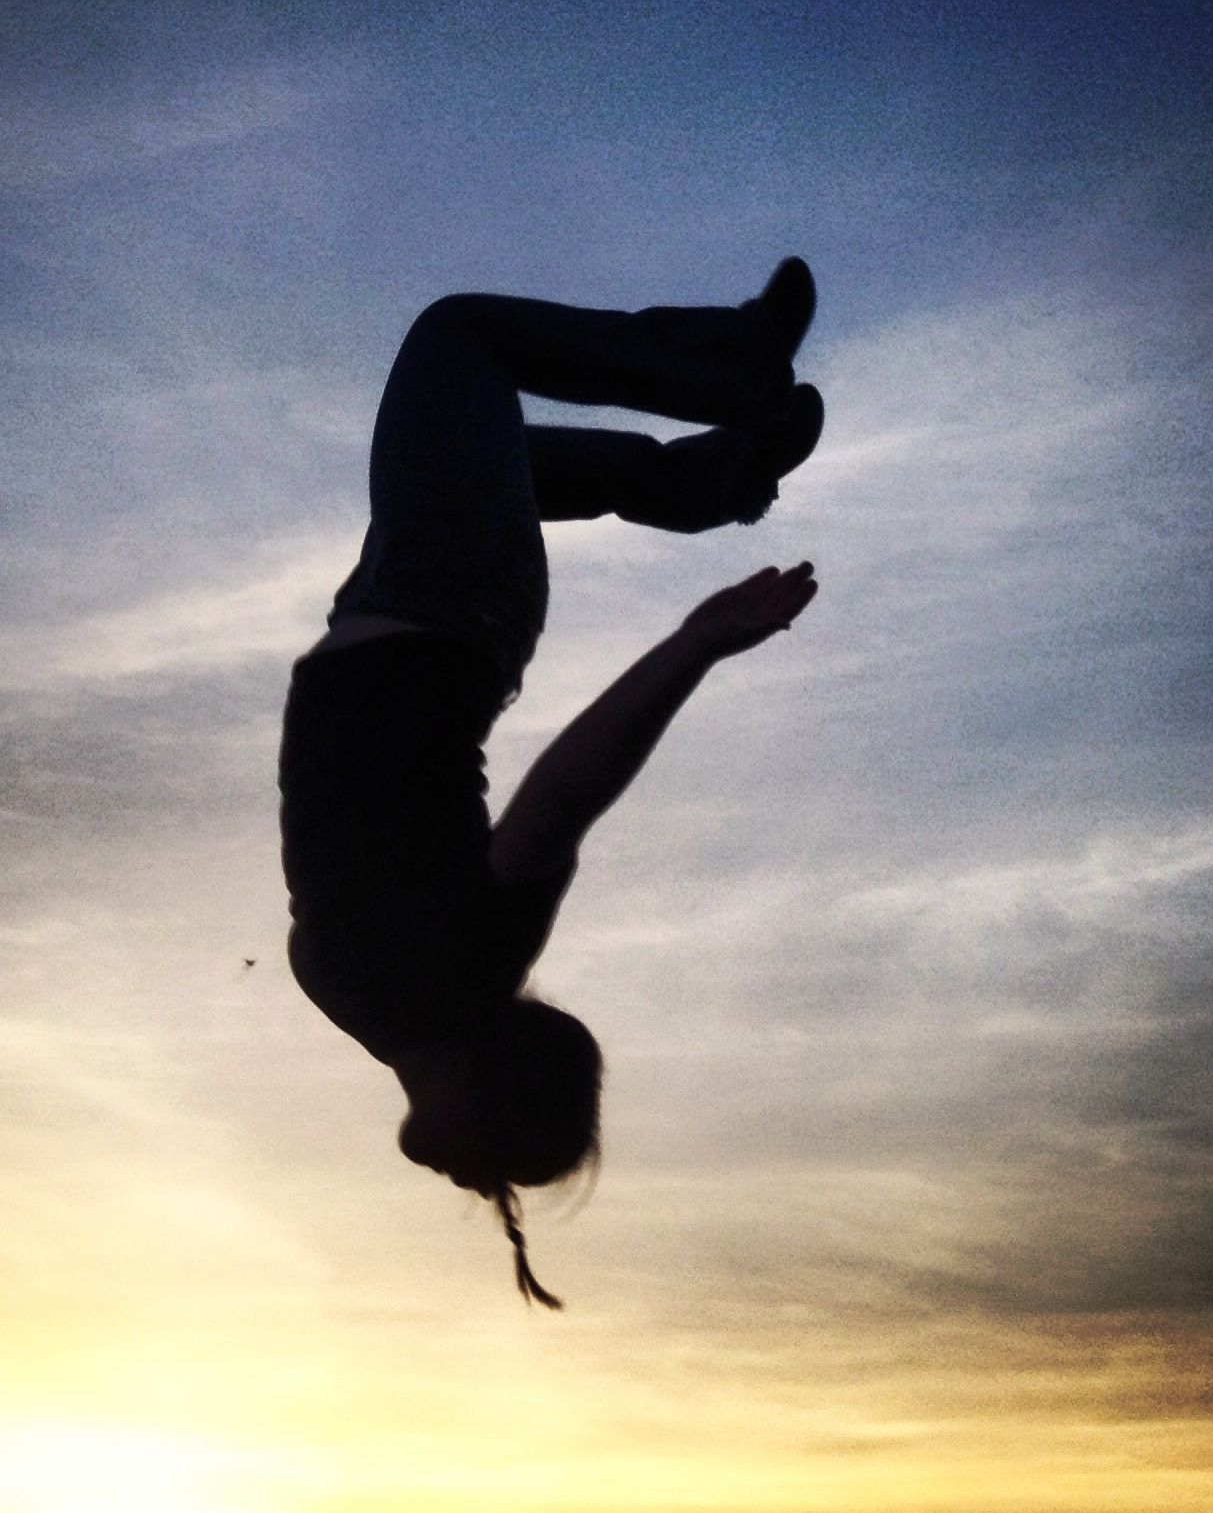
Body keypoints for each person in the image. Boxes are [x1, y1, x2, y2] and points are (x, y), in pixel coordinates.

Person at [278, 261, 823, 1306]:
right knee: (462, 338)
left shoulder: (378, 1012)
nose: (470, 1179)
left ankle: (706, 480)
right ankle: (735, 374)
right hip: (447, 604)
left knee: (495, 457)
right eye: (500, 1161)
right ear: (498, 1089)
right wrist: (694, 646)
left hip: (410, 596)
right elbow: (568, 794)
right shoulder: (469, 968)